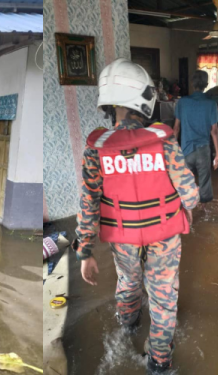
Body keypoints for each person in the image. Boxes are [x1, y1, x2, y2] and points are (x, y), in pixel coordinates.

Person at [73, 58, 200, 373]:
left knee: (128, 281)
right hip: (165, 235)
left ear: (109, 104)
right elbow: (191, 194)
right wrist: (188, 209)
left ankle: (128, 324)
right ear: (145, 100)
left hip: (124, 238)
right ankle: (159, 361)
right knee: (163, 297)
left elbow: (88, 203)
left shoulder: (96, 149)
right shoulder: (164, 141)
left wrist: (84, 251)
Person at [173, 70, 218, 210]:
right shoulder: (211, 104)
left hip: (186, 150)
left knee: (186, 182)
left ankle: (187, 211)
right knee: (205, 181)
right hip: (203, 150)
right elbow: (214, 131)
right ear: (206, 84)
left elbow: (176, 129)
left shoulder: (182, 102)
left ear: (192, 84)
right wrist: (217, 154)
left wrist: (174, 150)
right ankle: (204, 210)